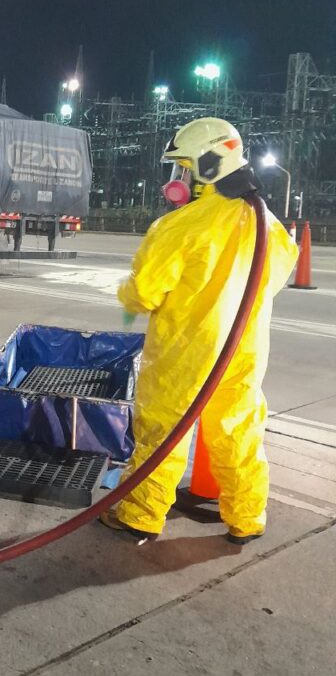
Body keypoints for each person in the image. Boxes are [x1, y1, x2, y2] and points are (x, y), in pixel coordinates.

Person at [101, 118, 299, 545]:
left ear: (210, 164)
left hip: (186, 354)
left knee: (163, 433)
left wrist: (126, 292)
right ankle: (247, 518)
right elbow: (279, 270)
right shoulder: (267, 222)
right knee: (239, 432)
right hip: (242, 351)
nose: (178, 180)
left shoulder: (178, 228)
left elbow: (143, 294)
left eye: (184, 168)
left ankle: (140, 514)